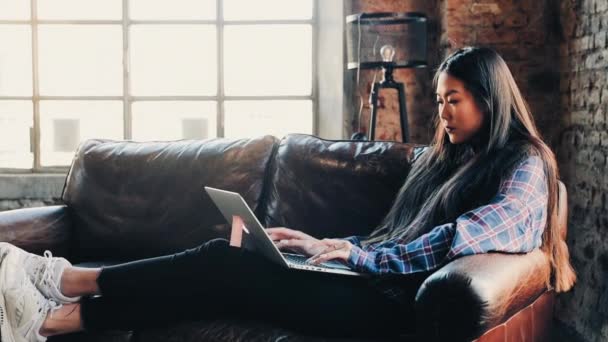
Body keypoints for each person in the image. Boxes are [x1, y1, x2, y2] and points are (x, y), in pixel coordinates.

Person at [0, 47, 576, 342]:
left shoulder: (526, 163)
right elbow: (394, 238)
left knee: (224, 266)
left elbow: (468, 238)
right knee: (223, 271)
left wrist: (361, 257)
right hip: (371, 284)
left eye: (455, 100)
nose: (443, 112)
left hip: (392, 309)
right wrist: (326, 244)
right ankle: (53, 323)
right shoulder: (447, 162)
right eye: (441, 99)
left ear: (490, 98)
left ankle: (65, 282)